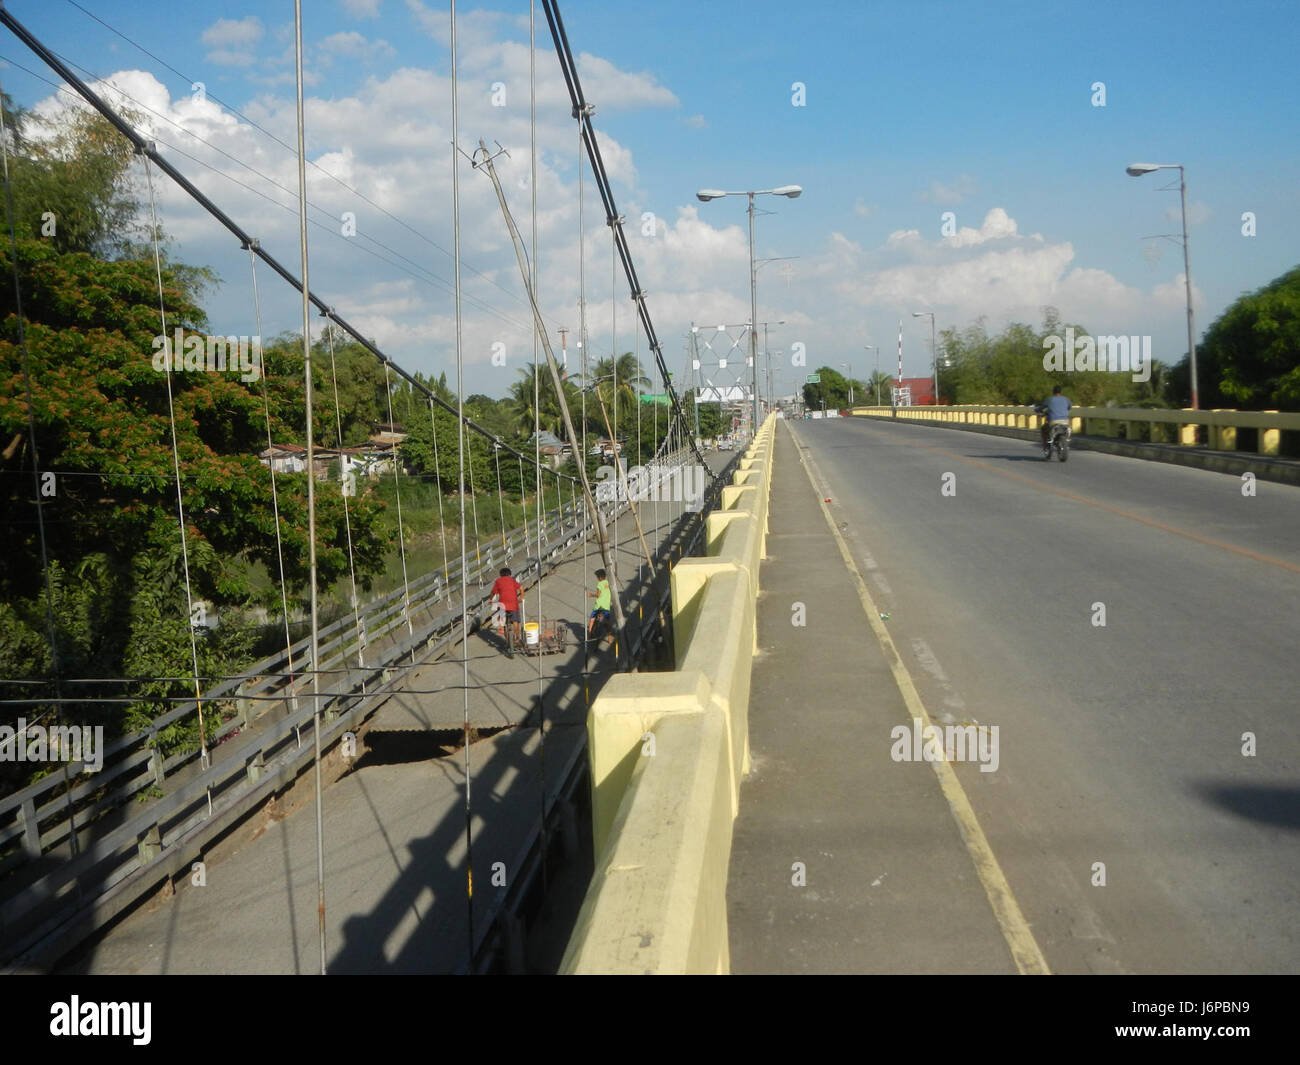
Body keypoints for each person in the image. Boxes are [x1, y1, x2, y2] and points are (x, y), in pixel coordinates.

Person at [489, 566, 523, 652]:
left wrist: (490, 600)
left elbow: (493, 592)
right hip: (513, 604)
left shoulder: (498, 581)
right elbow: (521, 588)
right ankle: (516, 639)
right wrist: (521, 597)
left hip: (503, 605)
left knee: (503, 622)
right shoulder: (512, 580)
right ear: (509, 574)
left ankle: (507, 641)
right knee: (516, 621)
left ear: (501, 575)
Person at [1036, 384, 1072, 455]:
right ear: (1060, 392)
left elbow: (1041, 408)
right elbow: (1069, 407)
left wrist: (1038, 410)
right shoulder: (1066, 399)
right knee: (1068, 429)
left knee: (1043, 429)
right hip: (1065, 421)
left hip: (1053, 422)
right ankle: (1067, 439)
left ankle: (1045, 447)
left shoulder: (1049, 399)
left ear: (1053, 392)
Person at [586, 567, 611, 639]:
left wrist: (590, 595)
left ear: (600, 577)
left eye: (597, 577)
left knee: (592, 619)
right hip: (606, 606)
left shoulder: (599, 584)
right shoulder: (608, 582)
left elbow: (598, 595)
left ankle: (589, 635)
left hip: (599, 606)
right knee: (606, 623)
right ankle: (609, 638)